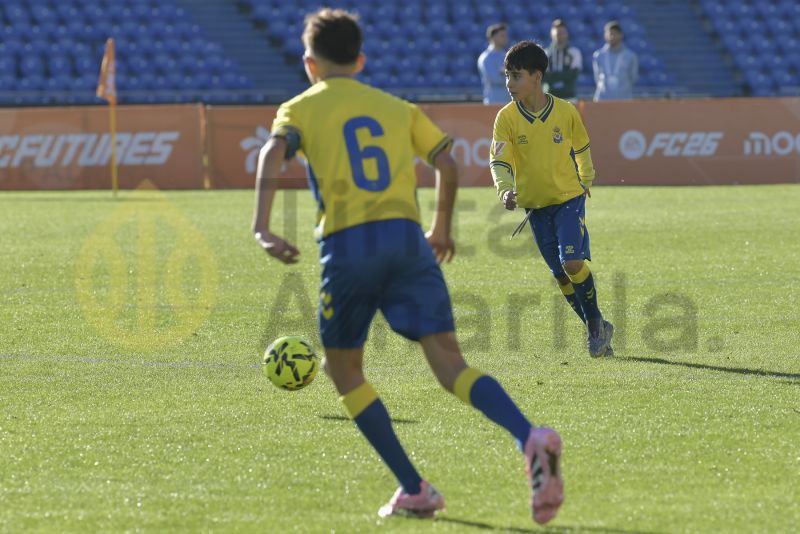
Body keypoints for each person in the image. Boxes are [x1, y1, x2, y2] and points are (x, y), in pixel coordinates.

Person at [252, 8, 563, 525]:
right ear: (361, 59)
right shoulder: (395, 107)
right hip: (407, 241)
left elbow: (271, 154)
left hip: (349, 245)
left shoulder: (300, 108)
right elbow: (445, 159)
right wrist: (440, 228)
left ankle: (413, 487)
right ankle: (529, 436)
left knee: (343, 369)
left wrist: (263, 227)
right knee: (449, 364)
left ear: (310, 64)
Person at [490, 40, 615, 358]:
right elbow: (499, 161)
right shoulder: (506, 119)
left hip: (568, 199)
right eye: (507, 75)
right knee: (560, 275)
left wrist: (586, 179)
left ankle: (595, 329)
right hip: (534, 206)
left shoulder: (565, 111)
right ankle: (597, 325)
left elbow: (582, 147)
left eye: (515, 76)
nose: (508, 83)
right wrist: (504, 189)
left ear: (536, 76)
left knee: (571, 262)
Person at [592, 20, 638, 101]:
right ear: (605, 35)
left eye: (615, 34)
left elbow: (633, 77)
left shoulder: (630, 56)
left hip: (624, 100)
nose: (612, 37)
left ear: (621, 35)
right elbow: (597, 78)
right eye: (610, 34)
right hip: (602, 100)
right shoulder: (598, 55)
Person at [543, 19, 582, 101]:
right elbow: (544, 76)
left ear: (567, 34)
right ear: (552, 34)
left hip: (569, 97)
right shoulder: (545, 53)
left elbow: (573, 75)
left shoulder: (574, 52)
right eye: (557, 33)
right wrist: (563, 76)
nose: (559, 35)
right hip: (550, 98)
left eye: (562, 32)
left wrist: (554, 76)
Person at [478, 23, 511, 104]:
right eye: (502, 35)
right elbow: (495, 79)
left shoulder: (508, 55)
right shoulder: (486, 58)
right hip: (493, 103)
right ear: (493, 38)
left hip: (508, 103)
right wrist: (511, 74)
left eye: (506, 35)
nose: (505, 38)